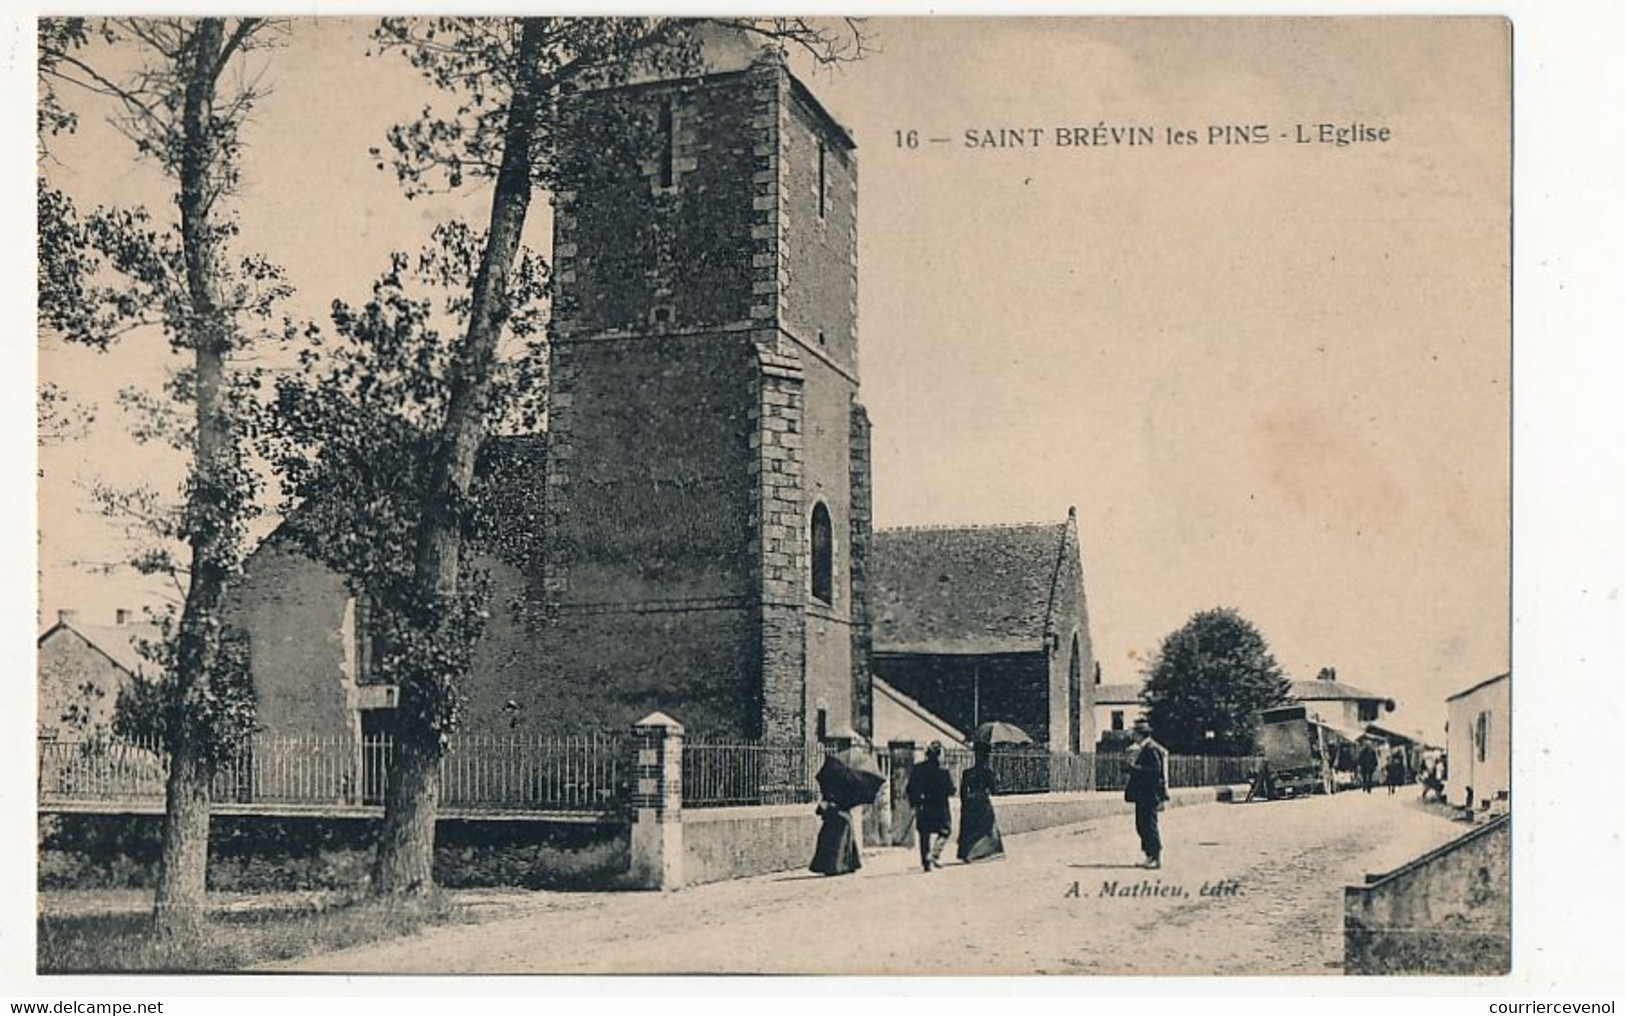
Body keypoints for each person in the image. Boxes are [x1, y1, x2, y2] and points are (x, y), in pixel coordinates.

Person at [1124, 719, 1169, 868]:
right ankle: (1149, 855)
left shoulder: (1151, 749)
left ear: (1140, 735)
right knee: (1141, 825)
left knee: (1148, 825)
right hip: (1144, 795)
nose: (1133, 736)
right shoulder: (1147, 748)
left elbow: (1155, 772)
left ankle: (1155, 858)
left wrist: (1134, 768)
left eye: (1134, 734)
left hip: (1149, 795)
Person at [906, 740, 955, 872]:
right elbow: (951, 790)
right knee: (945, 830)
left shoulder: (918, 769)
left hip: (923, 807)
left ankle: (926, 861)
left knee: (924, 833)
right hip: (940, 807)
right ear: (939, 755)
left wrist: (915, 802)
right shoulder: (942, 771)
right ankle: (934, 854)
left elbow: (910, 788)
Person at [957, 741, 1005, 863]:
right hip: (983, 802)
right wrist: (997, 780)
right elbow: (994, 791)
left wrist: (965, 804)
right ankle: (984, 851)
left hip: (970, 802)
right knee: (986, 828)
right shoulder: (988, 773)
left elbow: (962, 791)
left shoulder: (967, 772)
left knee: (971, 829)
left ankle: (968, 853)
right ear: (986, 757)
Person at [809, 798, 861, 875]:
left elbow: (822, 808)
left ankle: (834, 867)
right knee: (843, 842)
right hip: (842, 817)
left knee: (836, 843)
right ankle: (845, 866)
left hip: (837, 818)